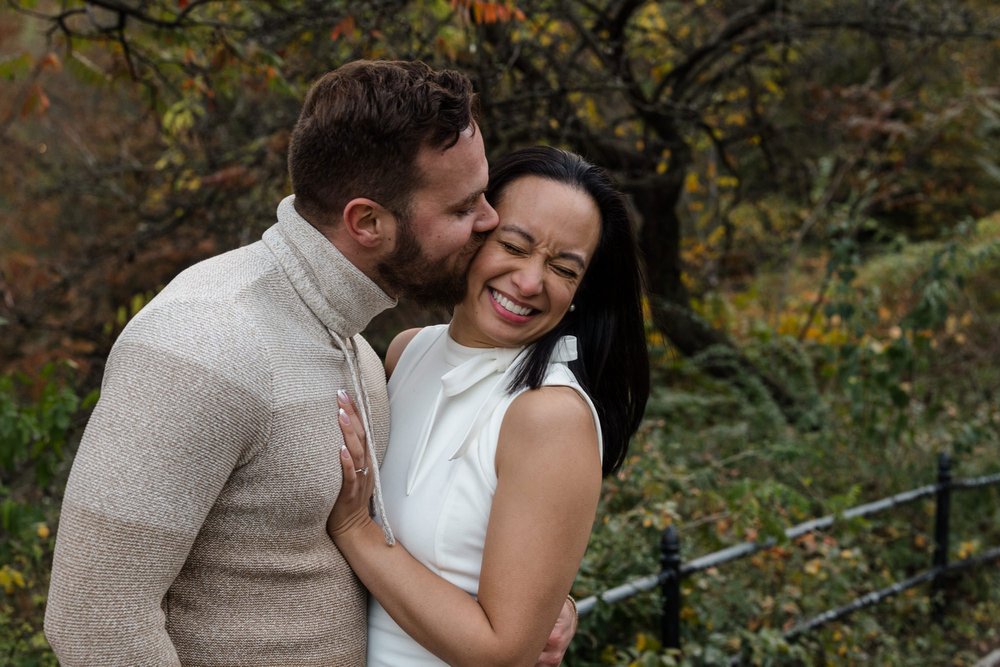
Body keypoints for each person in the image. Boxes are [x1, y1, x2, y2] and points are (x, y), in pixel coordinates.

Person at [44, 60, 574, 666]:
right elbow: (94, 618)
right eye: (462, 208)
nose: (490, 221)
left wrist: (534, 605)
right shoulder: (204, 342)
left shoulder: (356, 351)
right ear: (367, 221)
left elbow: (390, 540)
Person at [328, 146, 651, 665]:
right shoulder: (407, 352)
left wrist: (356, 531)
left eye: (564, 270)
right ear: (473, 231)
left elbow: (505, 653)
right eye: (514, 245)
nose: (529, 282)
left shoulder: (549, 414)